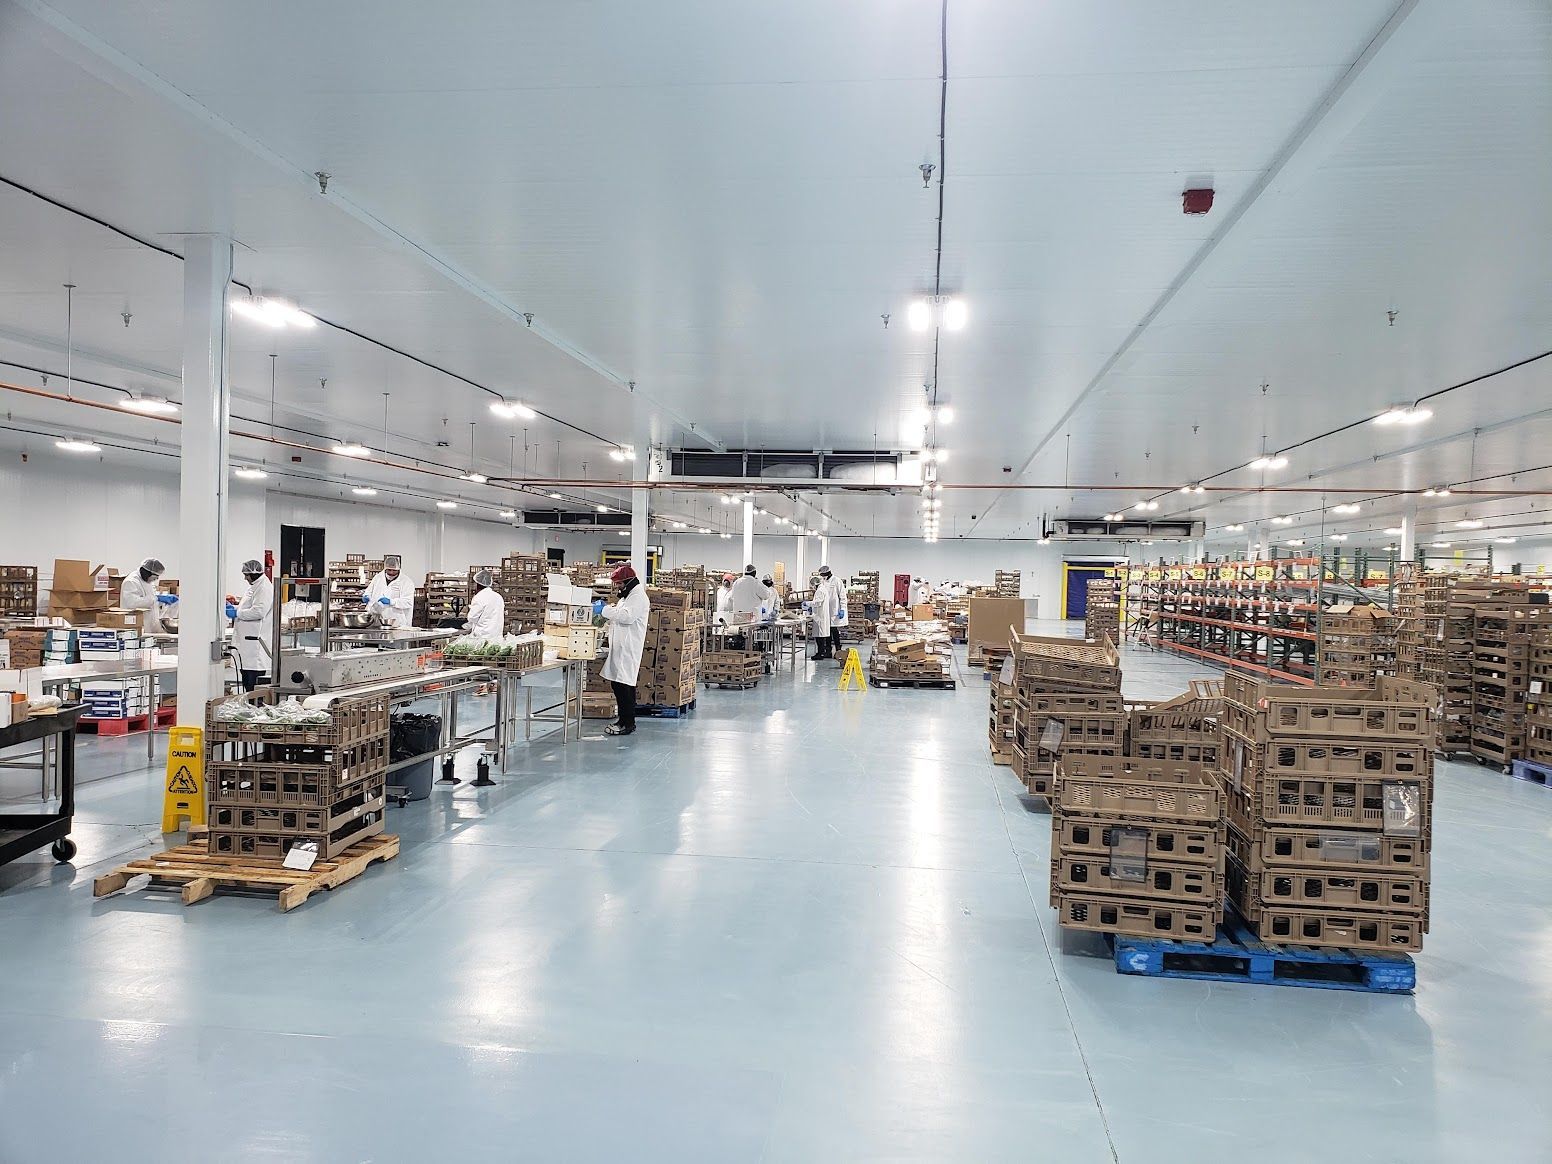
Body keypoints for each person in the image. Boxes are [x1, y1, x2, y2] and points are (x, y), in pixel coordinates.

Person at [600, 563, 650, 737]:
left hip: (628, 648)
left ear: (628, 581)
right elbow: (619, 612)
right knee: (618, 684)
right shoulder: (627, 597)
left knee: (624, 686)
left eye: (620, 584)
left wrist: (604, 610)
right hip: (621, 648)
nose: (618, 587)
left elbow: (627, 617)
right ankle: (623, 720)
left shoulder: (638, 597)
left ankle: (627, 723)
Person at [227, 559, 273, 692]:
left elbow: (259, 611)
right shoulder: (255, 586)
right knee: (247, 681)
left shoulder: (264, 588)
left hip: (255, 645)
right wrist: (235, 608)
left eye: (246, 575)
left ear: (253, 573)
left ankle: (254, 709)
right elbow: (248, 607)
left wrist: (237, 613)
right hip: (247, 645)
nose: (244, 578)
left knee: (253, 685)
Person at [120, 557, 178, 633]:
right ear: (147, 573)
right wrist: (157, 598)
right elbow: (132, 603)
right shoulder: (131, 581)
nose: (157, 578)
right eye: (155, 576)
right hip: (137, 626)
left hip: (150, 625)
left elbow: (150, 599)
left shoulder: (148, 581)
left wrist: (162, 601)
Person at [363, 554, 414, 628]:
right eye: (389, 570)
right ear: (385, 568)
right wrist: (366, 596)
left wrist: (391, 602)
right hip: (376, 619)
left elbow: (408, 602)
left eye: (394, 570)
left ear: (399, 569)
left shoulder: (407, 582)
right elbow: (369, 591)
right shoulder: (378, 578)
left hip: (396, 621)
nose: (391, 572)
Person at [810, 565, 844, 660]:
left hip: (834, 610)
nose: (822, 576)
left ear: (827, 573)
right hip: (824, 610)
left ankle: (838, 650)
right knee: (826, 631)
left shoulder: (837, 581)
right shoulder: (822, 582)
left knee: (834, 630)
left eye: (823, 574)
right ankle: (827, 650)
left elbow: (842, 596)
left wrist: (842, 609)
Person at [463, 569, 505, 642]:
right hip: (497, 637)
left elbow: (472, 617)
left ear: (477, 584)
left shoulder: (479, 597)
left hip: (482, 638)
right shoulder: (498, 597)